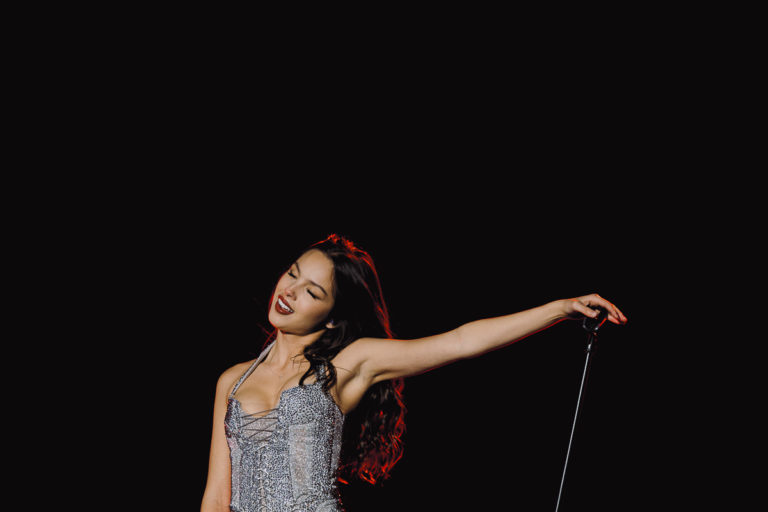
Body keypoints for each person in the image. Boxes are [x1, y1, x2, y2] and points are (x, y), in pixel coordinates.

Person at [200, 234, 628, 512]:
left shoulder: (348, 365)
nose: (289, 291)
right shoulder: (232, 382)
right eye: (292, 274)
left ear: (332, 316)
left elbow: (460, 341)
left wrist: (560, 309)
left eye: (312, 291)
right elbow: (217, 497)